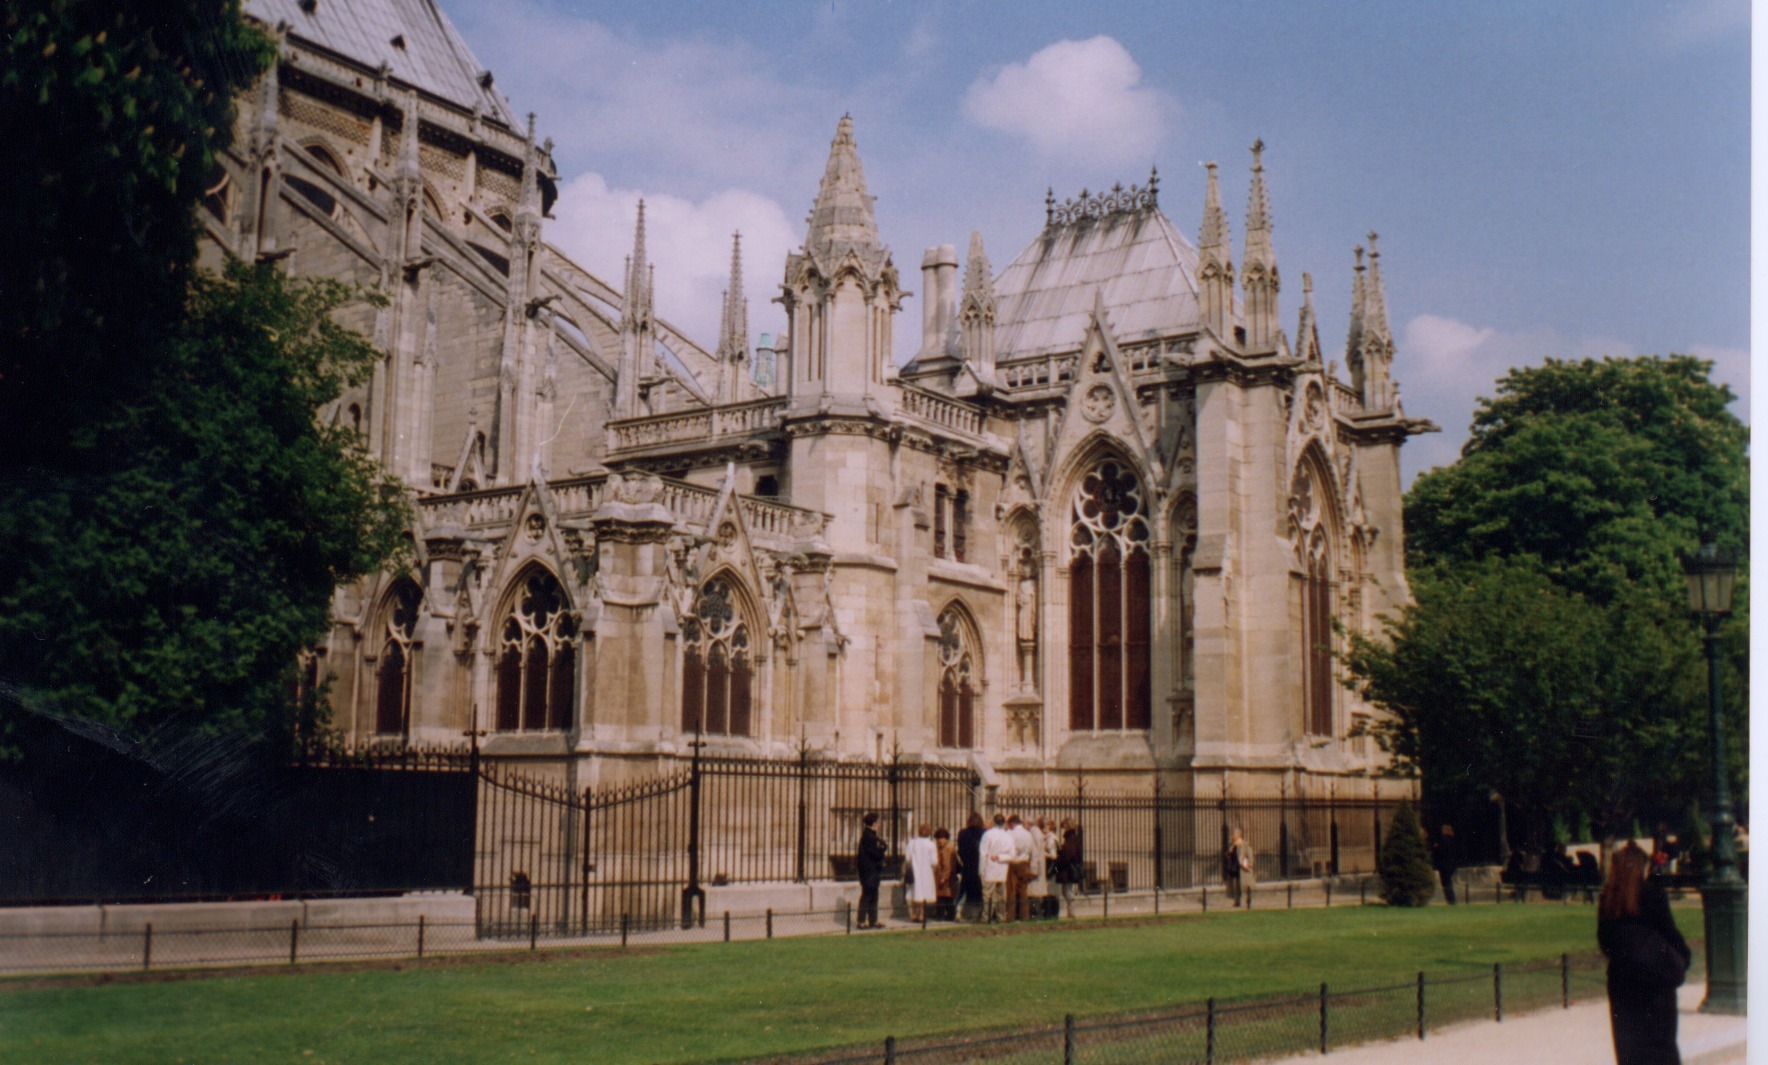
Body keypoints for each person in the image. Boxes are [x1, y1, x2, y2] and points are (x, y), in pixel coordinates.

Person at [1598, 842, 1691, 1065]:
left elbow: (1605, 942)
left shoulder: (1609, 900)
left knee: (1630, 1051)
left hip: (1623, 987)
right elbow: (1673, 937)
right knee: (1661, 1050)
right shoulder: (1652, 896)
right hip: (1655, 986)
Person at [855, 811, 888, 929]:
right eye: (878, 822)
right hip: (869, 872)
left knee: (874, 895)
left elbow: (881, 846)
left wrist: (882, 846)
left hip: (872, 871)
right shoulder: (869, 837)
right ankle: (861, 921)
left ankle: (873, 920)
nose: (879, 824)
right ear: (874, 823)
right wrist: (882, 849)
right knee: (867, 895)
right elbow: (875, 853)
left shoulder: (871, 835)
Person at [981, 813, 1013, 923]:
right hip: (1002, 869)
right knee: (1001, 896)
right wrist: (1001, 857)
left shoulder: (988, 835)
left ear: (994, 822)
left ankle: (986, 917)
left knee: (987, 895)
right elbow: (1012, 855)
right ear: (1004, 823)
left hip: (989, 869)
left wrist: (981, 870)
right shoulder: (1008, 836)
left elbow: (983, 854)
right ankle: (1001, 917)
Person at [903, 822, 937, 923]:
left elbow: (907, 859)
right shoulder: (931, 845)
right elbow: (934, 861)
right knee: (924, 894)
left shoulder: (912, 843)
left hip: (915, 871)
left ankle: (914, 914)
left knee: (914, 892)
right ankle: (922, 915)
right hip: (927, 872)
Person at [956, 812, 986, 921]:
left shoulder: (963, 833)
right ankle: (977, 914)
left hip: (968, 865)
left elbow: (960, 851)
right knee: (980, 892)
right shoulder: (984, 833)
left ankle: (959, 911)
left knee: (964, 890)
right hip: (980, 865)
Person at [1006, 814, 1034, 921]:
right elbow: (1030, 849)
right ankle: (1024, 915)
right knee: (1023, 890)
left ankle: (1011, 916)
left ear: (1012, 824)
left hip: (1013, 863)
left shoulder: (1010, 834)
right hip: (1024, 862)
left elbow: (1009, 848)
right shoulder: (1028, 834)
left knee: (1011, 890)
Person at [1025, 816, 1049, 919]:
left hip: (1036, 866)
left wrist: (1033, 869)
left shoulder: (1034, 833)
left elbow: (1034, 853)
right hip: (1040, 865)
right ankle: (1037, 914)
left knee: (1034, 892)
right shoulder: (1038, 833)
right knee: (1036, 892)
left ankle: (1036, 914)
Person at [1431, 823, 1461, 905]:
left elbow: (1441, 851)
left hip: (1444, 866)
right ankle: (1451, 900)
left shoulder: (1444, 840)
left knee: (1446, 883)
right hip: (1452, 865)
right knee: (1449, 883)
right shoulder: (1454, 840)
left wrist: (1436, 847)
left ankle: (1451, 900)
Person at [1056, 819, 1083, 904]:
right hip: (1070, 867)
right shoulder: (1073, 838)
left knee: (1068, 891)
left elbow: (1069, 853)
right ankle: (1071, 911)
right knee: (1066, 891)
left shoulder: (1071, 838)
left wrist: (1060, 855)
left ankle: (1072, 912)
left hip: (1068, 868)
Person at [1225, 828, 1254, 907]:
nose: (1232, 836)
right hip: (1234, 869)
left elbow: (1249, 855)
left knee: (1244, 885)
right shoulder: (1233, 846)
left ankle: (1247, 899)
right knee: (1235, 886)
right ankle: (1237, 901)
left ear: (1238, 835)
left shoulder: (1244, 845)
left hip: (1242, 869)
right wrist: (1229, 853)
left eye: (1233, 834)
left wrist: (1250, 864)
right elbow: (1228, 855)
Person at [933, 827, 958, 920]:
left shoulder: (948, 848)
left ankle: (946, 914)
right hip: (940, 875)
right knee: (942, 896)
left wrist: (944, 877)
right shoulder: (941, 847)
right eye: (938, 839)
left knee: (946, 896)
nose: (939, 841)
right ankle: (944, 914)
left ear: (946, 838)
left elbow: (947, 864)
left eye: (941, 838)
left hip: (946, 876)